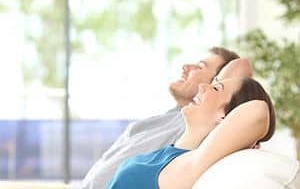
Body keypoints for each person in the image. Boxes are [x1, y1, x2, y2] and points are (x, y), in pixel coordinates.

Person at [74, 47, 248, 189]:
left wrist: (216, 90)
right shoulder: (163, 121)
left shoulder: (198, 124)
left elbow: (241, 68)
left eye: (200, 66)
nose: (186, 67)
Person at [106, 77, 276, 189]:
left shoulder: (191, 164)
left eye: (216, 88)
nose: (202, 86)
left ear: (224, 117)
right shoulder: (170, 153)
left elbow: (257, 110)